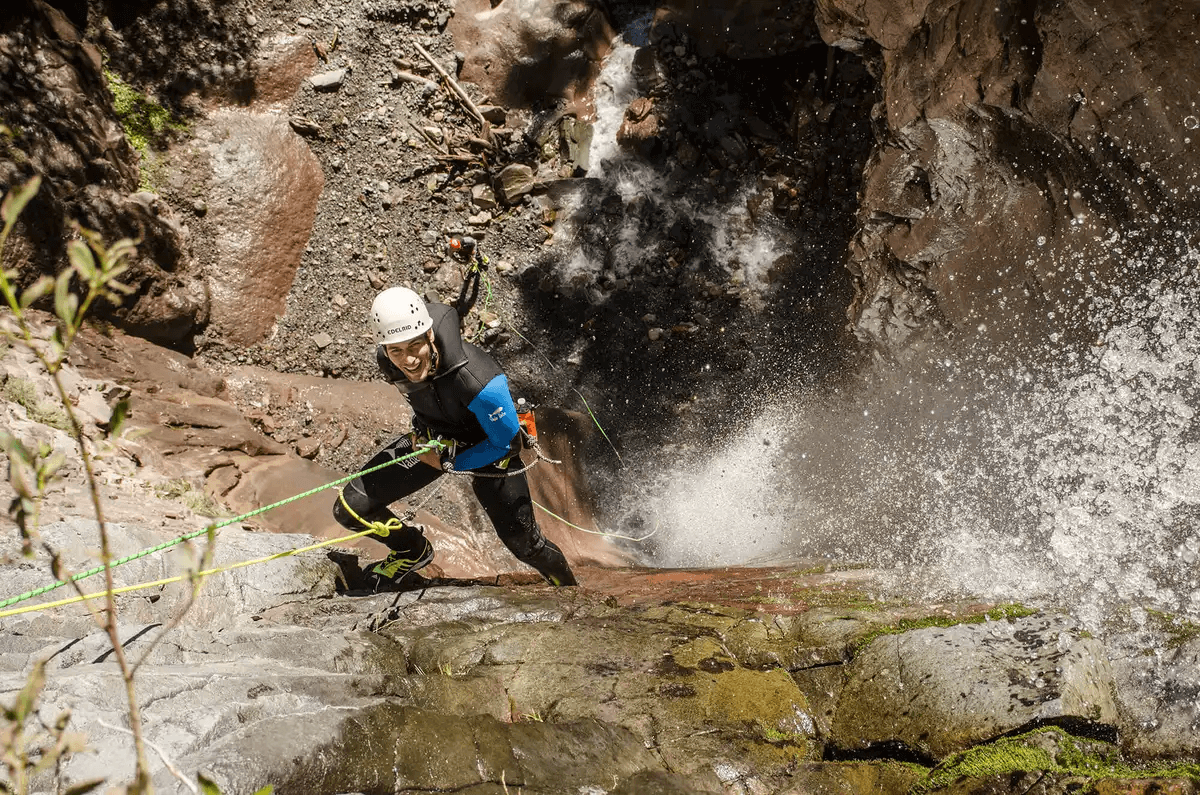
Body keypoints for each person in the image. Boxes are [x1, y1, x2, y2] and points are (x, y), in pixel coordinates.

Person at [332, 285, 577, 588]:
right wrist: (425, 437)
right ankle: (412, 550)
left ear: (429, 337)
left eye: (414, 347)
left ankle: (570, 591)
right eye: (396, 350)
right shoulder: (388, 360)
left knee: (528, 547)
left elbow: (509, 443)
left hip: (491, 450)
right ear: (385, 348)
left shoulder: (475, 378)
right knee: (350, 507)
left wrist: (451, 460)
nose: (407, 361)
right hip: (436, 442)